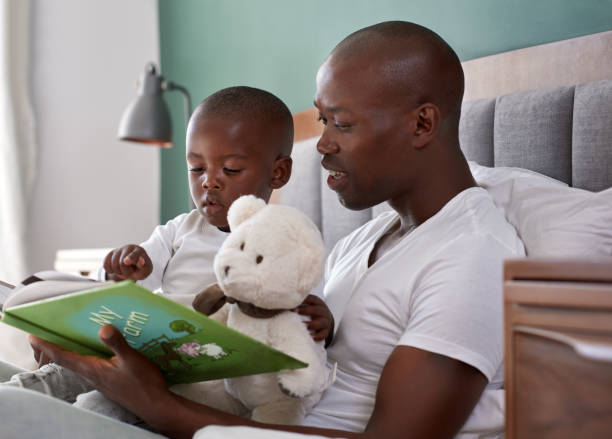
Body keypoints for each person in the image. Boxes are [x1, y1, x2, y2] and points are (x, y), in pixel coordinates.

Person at [3, 21, 524, 439]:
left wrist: (154, 403)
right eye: (321, 122)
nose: (320, 145)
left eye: (340, 123)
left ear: (422, 124)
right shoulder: (362, 240)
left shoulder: (472, 255)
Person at [1, 86, 333, 425]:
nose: (209, 182)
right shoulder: (180, 229)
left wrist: (326, 320)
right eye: (196, 168)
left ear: (278, 173)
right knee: (92, 407)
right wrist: (124, 269)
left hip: (219, 382)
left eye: (230, 170)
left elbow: (308, 307)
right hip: (152, 362)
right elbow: (126, 285)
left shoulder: (288, 239)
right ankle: (31, 397)